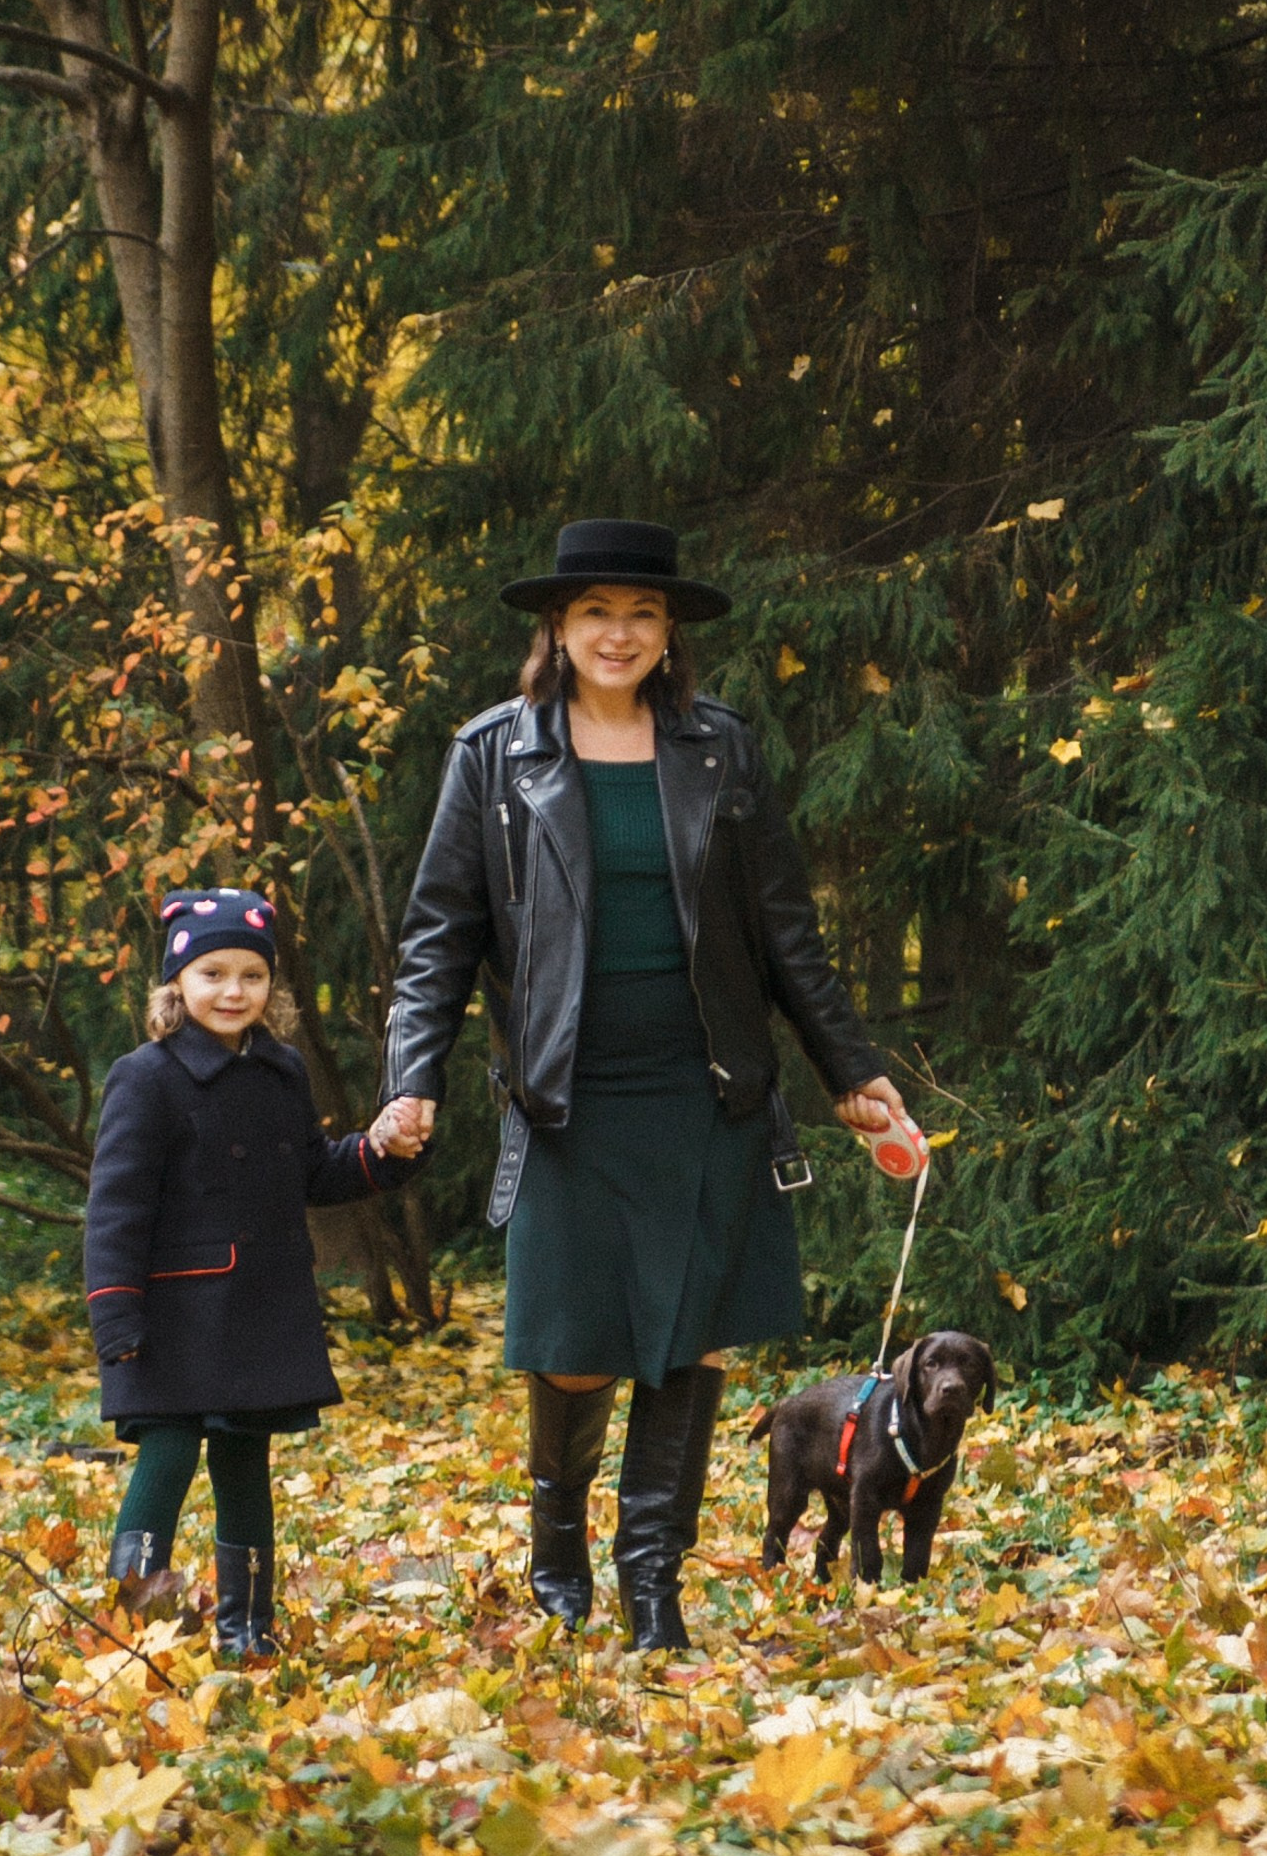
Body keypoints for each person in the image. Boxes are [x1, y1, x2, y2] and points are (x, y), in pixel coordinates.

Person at [379, 517, 913, 1654]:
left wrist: (853, 1073)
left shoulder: (720, 748)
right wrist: (407, 1080)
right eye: (594, 613)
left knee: (693, 1339)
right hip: (566, 1096)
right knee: (572, 1342)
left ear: (670, 631)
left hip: (705, 1086)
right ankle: (559, 1548)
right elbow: (439, 935)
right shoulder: (493, 755)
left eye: (641, 613)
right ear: (557, 629)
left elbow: (785, 934)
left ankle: (652, 1580)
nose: (617, 633)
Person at [85, 886, 431, 1660]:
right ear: (176, 983)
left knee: (245, 1459)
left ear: (271, 986)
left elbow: (312, 1174)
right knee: (168, 1453)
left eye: (250, 975)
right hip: (173, 1315)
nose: (232, 991)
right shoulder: (145, 1077)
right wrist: (114, 1315)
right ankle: (132, 1624)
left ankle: (246, 1630)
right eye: (213, 974)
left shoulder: (282, 1072)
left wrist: (380, 1150)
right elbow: (115, 1209)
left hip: (258, 1307)